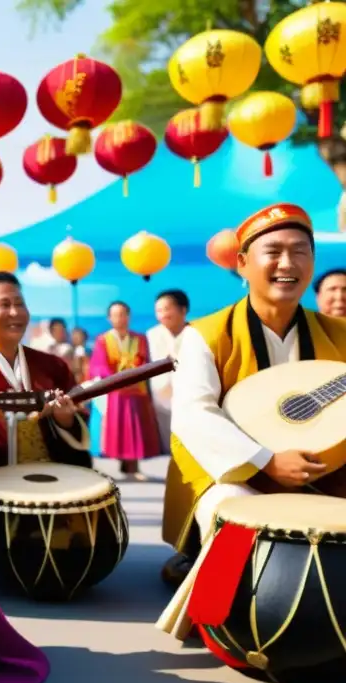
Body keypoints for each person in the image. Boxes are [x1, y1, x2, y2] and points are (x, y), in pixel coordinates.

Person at [160, 203, 346, 594]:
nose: (287, 262)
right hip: (236, 472)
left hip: (328, 468)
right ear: (242, 264)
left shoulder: (339, 333)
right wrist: (266, 460)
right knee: (234, 510)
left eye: (300, 251)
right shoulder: (206, 335)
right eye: (273, 251)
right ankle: (228, 614)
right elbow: (194, 415)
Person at [0, 272, 91, 484]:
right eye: (4, 305)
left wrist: (65, 419)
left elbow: (79, 416)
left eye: (20, 304)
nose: (15, 312)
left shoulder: (53, 365)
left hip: (53, 478)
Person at [89, 301, 161, 481]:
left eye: (123, 314)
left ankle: (134, 466)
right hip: (116, 390)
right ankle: (121, 466)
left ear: (128, 316)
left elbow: (144, 361)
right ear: (109, 318)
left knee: (136, 429)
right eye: (116, 315)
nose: (120, 318)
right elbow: (98, 365)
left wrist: (134, 375)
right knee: (119, 428)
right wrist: (114, 379)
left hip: (136, 389)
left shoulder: (139, 339)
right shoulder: (103, 340)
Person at [146, 289, 190, 451]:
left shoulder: (195, 332)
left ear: (183, 310)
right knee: (167, 442)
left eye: (167, 309)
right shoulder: (151, 335)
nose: (163, 314)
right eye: (159, 310)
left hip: (189, 393)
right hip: (161, 397)